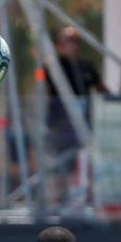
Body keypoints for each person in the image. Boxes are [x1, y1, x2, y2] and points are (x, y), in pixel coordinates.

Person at [45, 27, 106, 205]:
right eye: (67, 41)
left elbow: (101, 89)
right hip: (61, 125)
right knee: (61, 163)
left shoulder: (86, 66)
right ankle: (59, 199)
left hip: (83, 124)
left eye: (75, 41)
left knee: (87, 161)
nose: (72, 46)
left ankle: (88, 197)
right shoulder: (54, 66)